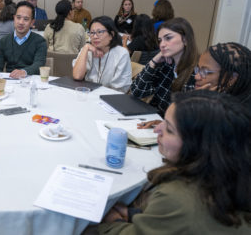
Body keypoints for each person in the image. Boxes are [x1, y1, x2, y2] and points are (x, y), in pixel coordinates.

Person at [90, 90, 251, 234]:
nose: (157, 129)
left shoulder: (177, 197)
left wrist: (112, 221)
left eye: (169, 129)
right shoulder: (233, 177)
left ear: (198, 146)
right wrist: (138, 216)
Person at [139, 42, 251, 129]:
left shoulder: (239, 117)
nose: (197, 76)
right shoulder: (218, 101)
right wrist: (170, 125)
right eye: (198, 69)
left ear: (231, 78)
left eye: (206, 72)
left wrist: (197, 102)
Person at [130, 17, 198, 115]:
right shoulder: (165, 64)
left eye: (168, 38)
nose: (162, 44)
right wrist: (153, 62)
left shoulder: (196, 73)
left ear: (186, 39)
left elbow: (187, 115)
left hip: (174, 126)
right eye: (160, 40)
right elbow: (137, 92)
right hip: (154, 120)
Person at [73, 16, 132, 93]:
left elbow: (120, 89)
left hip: (110, 98)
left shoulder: (121, 53)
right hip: (88, 94)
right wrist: (85, 48)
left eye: (99, 32)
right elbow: (77, 76)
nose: (94, 36)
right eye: (92, 33)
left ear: (111, 35)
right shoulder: (88, 50)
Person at [0, 1, 47, 78]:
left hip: (30, 82)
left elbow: (38, 65)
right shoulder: (4, 41)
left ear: (32, 22)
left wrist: (24, 72)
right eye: (18, 18)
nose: (21, 22)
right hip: (9, 83)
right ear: (14, 18)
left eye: (26, 19)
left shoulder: (40, 41)